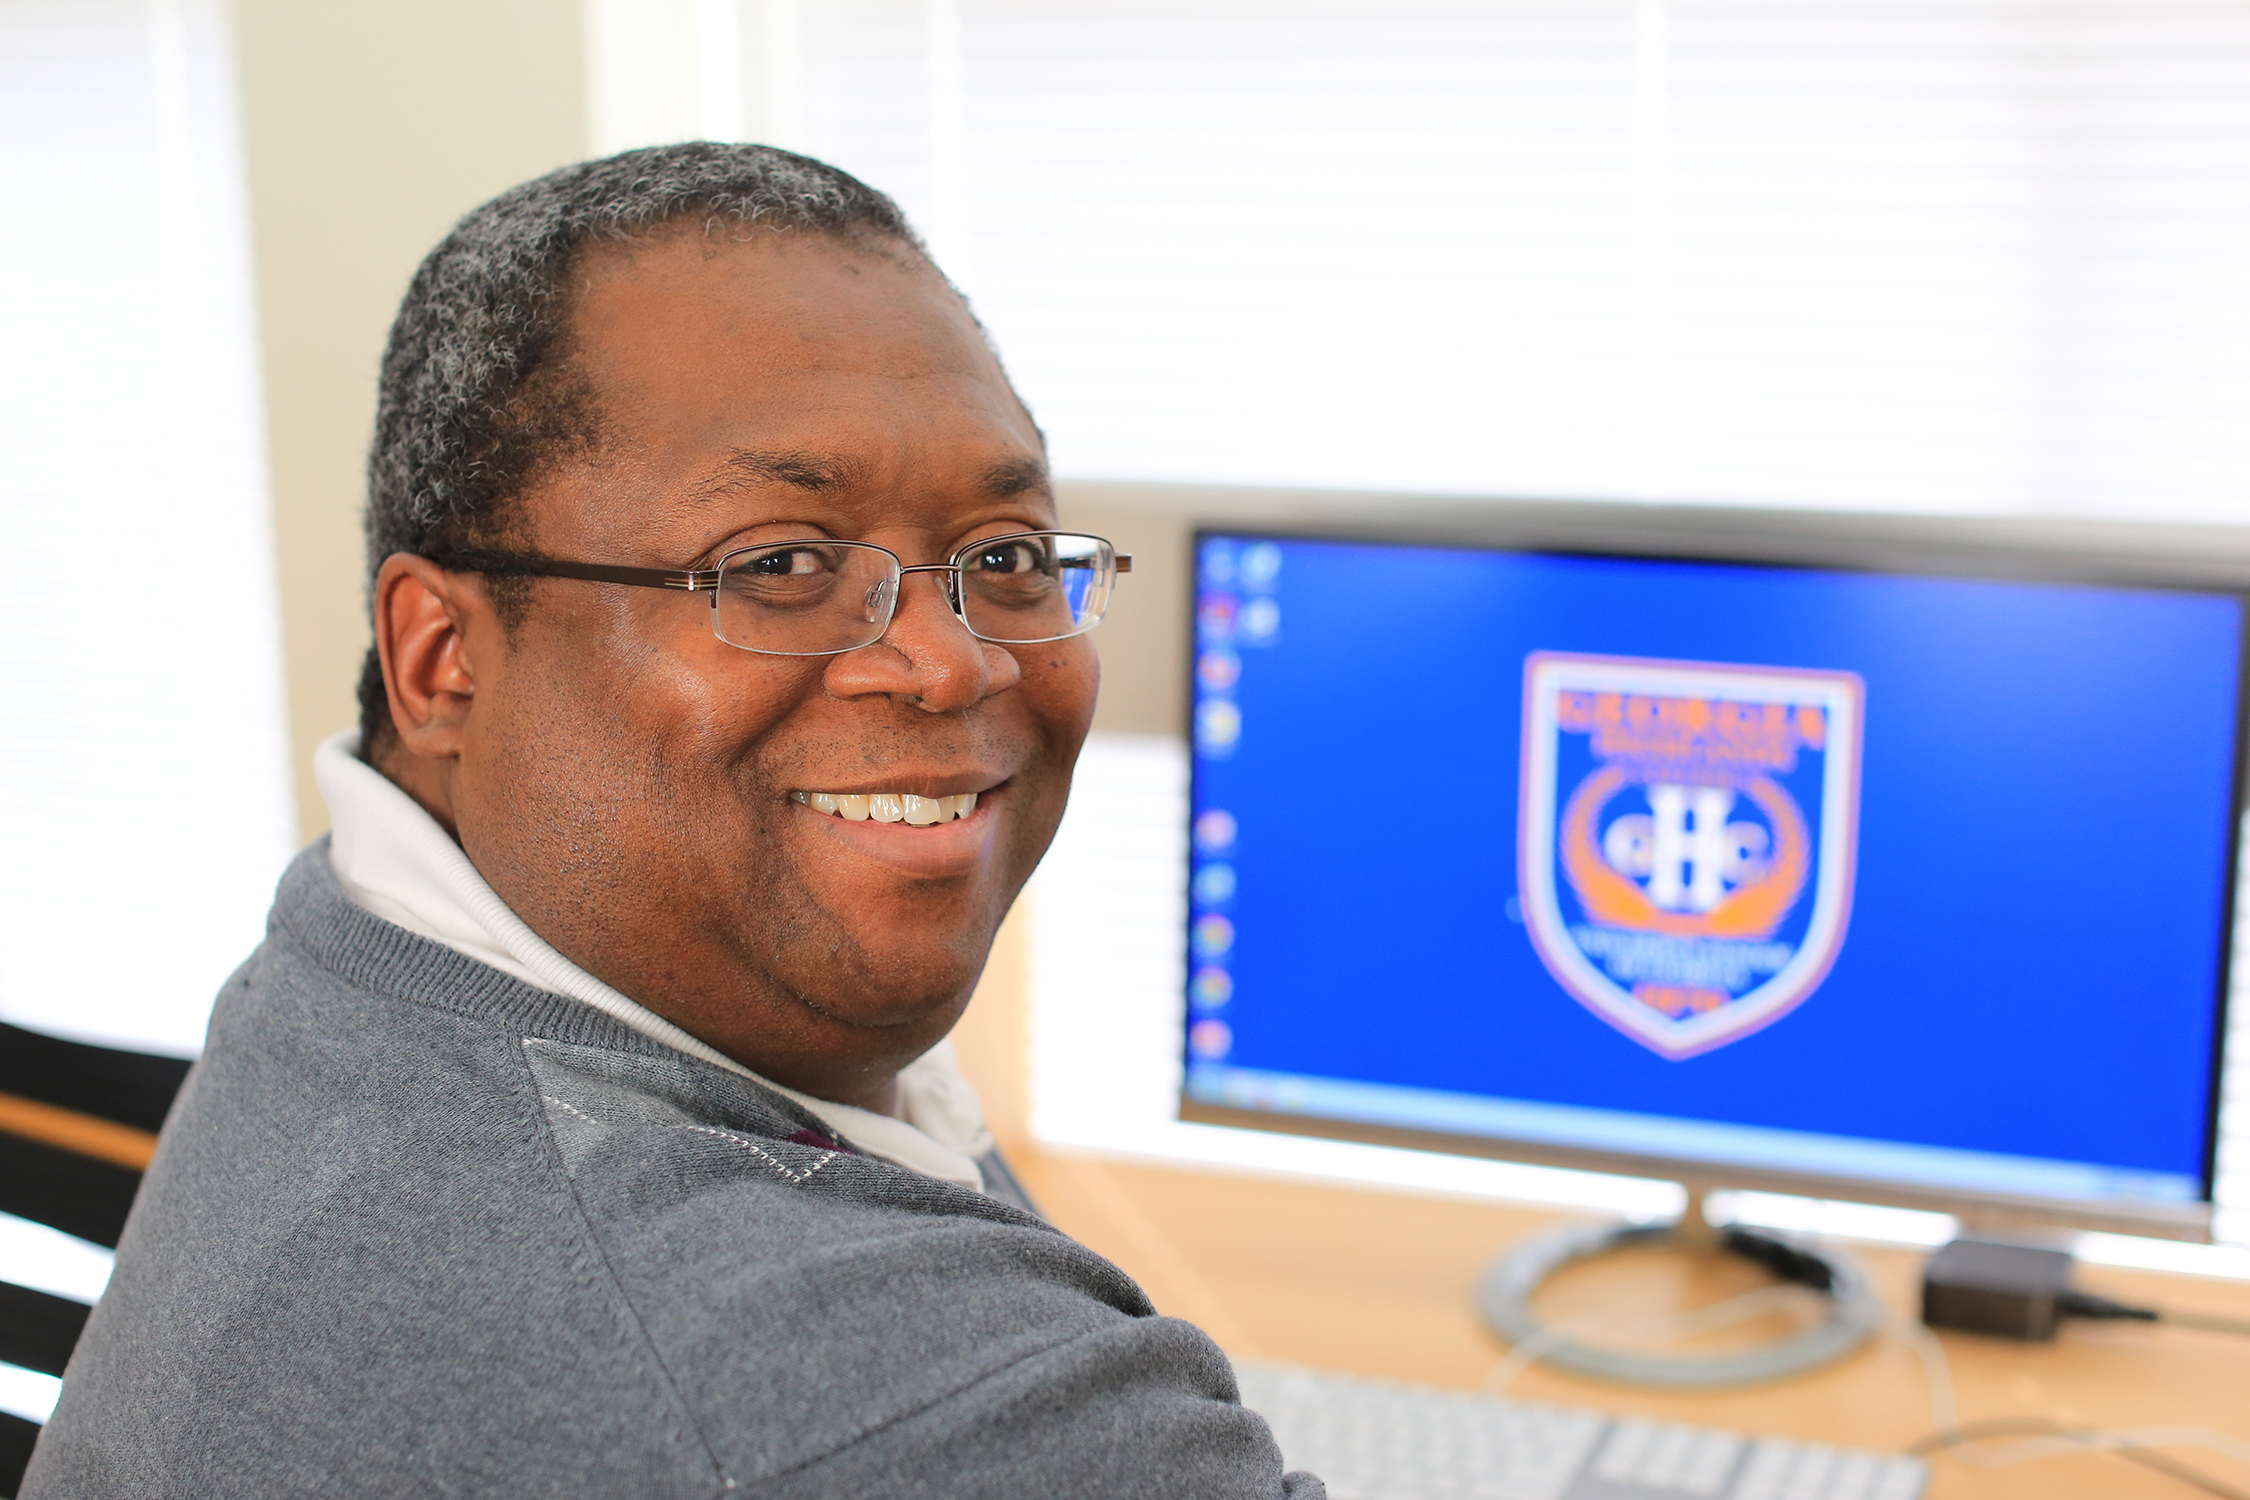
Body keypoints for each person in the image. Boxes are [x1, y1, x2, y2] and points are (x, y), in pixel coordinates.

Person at [24, 144, 1322, 1499]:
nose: (949, 663)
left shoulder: (350, 961)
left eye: (1000, 554)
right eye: (778, 565)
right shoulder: (915, 1404)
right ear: (441, 660)